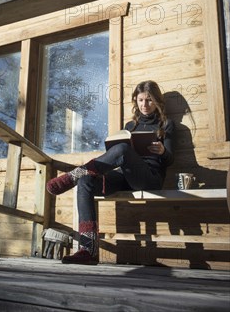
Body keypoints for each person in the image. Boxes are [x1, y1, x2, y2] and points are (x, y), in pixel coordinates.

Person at [46, 80, 175, 265]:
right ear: (135, 101)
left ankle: (73, 175)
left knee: (122, 149)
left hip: (150, 178)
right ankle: (87, 250)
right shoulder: (130, 127)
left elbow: (171, 159)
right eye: (140, 100)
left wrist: (163, 151)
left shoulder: (167, 125)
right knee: (86, 182)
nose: (144, 105)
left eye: (149, 100)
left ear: (157, 102)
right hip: (126, 176)